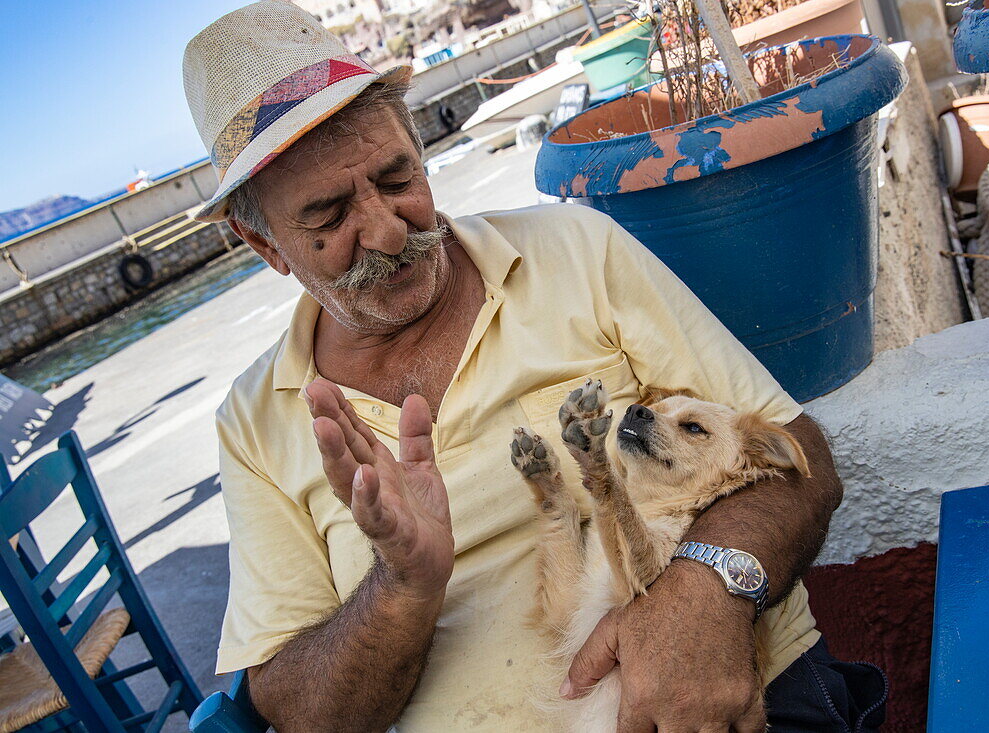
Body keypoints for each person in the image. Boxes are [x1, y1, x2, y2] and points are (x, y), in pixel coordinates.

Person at [185, 3, 887, 731]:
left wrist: (705, 592)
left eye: (397, 178)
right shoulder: (255, 423)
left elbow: (798, 453)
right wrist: (401, 588)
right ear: (264, 244)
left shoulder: (577, 251)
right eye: (330, 217)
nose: (391, 231)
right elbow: (300, 709)